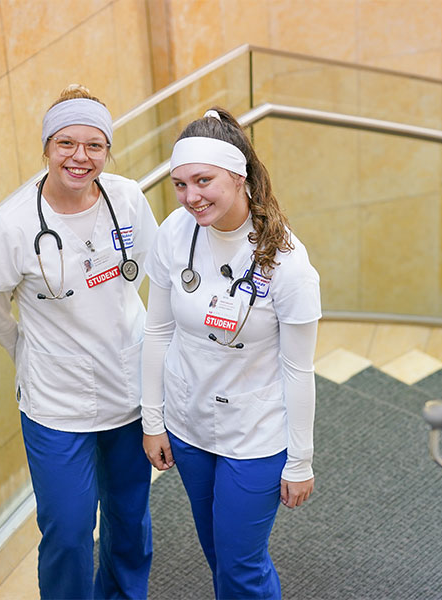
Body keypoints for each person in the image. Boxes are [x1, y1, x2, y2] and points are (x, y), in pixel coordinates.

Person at [0, 84, 158, 599]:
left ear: (107, 149)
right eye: (66, 144)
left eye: (94, 145)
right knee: (70, 532)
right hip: (56, 405)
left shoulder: (126, 197)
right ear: (47, 148)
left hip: (128, 390)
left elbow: (145, 276)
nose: (81, 157)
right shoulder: (12, 225)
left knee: (129, 521)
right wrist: (30, 354)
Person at [141, 107, 321, 598]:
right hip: (189, 423)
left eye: (203, 181)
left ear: (239, 177)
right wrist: (152, 419)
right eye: (180, 184)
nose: (190, 197)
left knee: (241, 564)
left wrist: (300, 460)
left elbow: (298, 369)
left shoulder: (288, 265)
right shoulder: (174, 233)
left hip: (255, 433)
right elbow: (156, 332)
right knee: (218, 553)